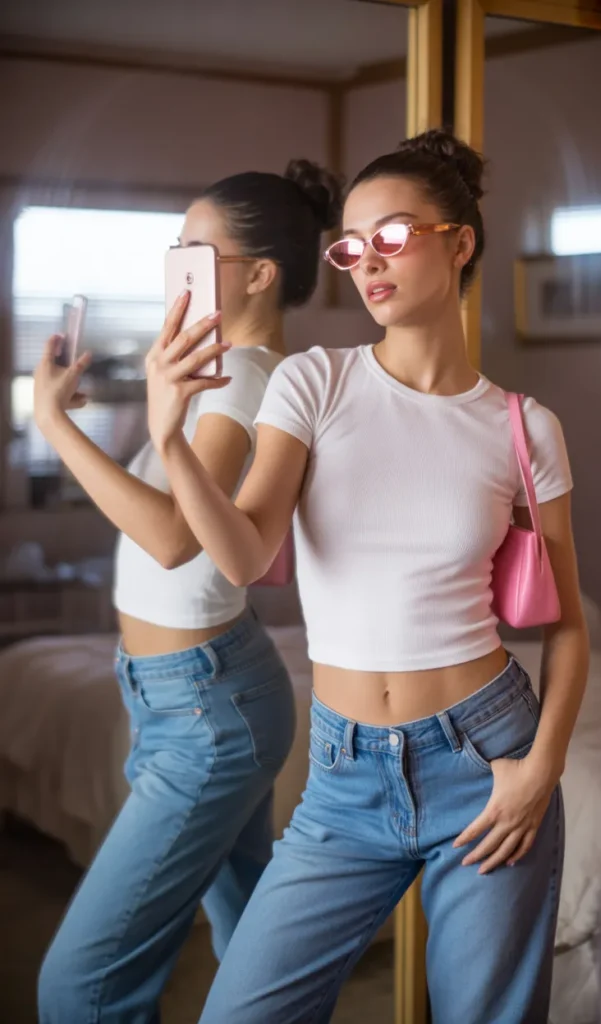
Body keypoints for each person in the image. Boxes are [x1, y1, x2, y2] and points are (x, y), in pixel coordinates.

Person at [145, 130, 589, 1024]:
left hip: (486, 758)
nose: (366, 262)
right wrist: (167, 437)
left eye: (392, 236)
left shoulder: (521, 426)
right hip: (343, 777)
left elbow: (569, 627)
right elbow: (240, 553)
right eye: (351, 247)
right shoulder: (315, 382)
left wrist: (538, 771)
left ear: (459, 243)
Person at [32, 159, 342, 1024]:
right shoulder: (220, 368)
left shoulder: (245, 375)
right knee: (254, 957)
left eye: (195, 249)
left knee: (78, 988)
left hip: (206, 710)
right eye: (175, 246)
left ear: (259, 273)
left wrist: (56, 423)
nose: (176, 263)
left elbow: (170, 537)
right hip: (190, 694)